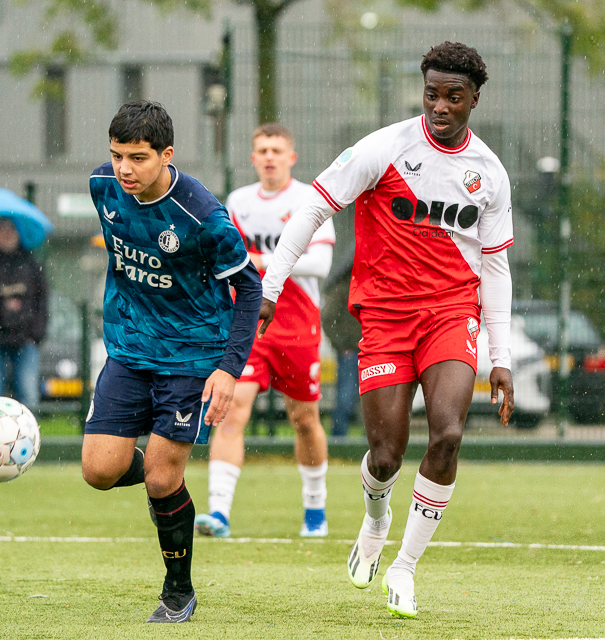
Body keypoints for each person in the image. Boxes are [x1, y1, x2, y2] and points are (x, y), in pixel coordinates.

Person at [258, 42, 515, 618]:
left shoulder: (490, 174)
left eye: (454, 97)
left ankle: (404, 568)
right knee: (385, 454)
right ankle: (376, 522)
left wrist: (501, 356)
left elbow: (495, 267)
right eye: (432, 94)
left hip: (452, 314)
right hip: (386, 319)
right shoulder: (384, 147)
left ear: (475, 99)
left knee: (447, 434)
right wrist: (269, 288)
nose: (440, 106)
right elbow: (313, 209)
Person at [80, 100, 262, 624]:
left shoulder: (203, 215)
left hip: (192, 356)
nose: (124, 170)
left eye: (137, 157)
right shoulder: (103, 187)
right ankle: (170, 484)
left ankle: (178, 591)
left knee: (160, 478)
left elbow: (248, 290)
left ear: (167, 155)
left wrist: (228, 370)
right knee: (98, 471)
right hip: (130, 348)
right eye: (117, 156)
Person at [192, 124, 335, 539]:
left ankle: (314, 510)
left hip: (297, 324)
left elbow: (319, 265)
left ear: (291, 157)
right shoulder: (238, 201)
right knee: (231, 407)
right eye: (262, 150)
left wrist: (259, 259)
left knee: (304, 419)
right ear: (253, 158)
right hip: (250, 322)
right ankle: (218, 513)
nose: (269, 156)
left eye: (276, 149)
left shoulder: (310, 199)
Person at [0, 218, 48, 410]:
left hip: (25, 339)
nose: (7, 234)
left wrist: (35, 335)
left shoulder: (31, 264)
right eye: (2, 230)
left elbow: (42, 302)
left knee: (28, 395)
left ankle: (29, 438)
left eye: (11, 230)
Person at [321, 247, 362, 437]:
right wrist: (343, 345)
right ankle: (339, 438)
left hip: (369, 348)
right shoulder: (342, 288)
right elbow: (328, 318)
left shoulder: (359, 286)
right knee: (345, 396)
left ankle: (368, 441)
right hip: (352, 350)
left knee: (369, 397)